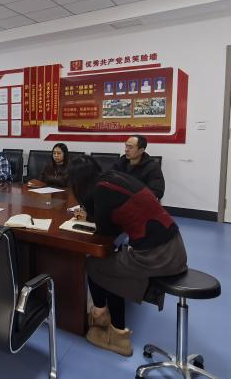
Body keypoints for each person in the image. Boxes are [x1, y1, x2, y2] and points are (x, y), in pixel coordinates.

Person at [68, 156, 187, 357]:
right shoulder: (111, 179)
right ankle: (104, 316)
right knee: (111, 260)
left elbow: (105, 232)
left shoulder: (101, 191)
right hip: (174, 246)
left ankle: (116, 333)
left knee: (97, 265)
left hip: (159, 255)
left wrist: (92, 214)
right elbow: (115, 218)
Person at [112, 135, 164, 199]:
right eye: (126, 146)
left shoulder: (152, 167)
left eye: (130, 147)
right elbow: (108, 180)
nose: (126, 150)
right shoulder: (120, 162)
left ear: (141, 150)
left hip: (138, 201)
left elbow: (157, 192)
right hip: (119, 200)